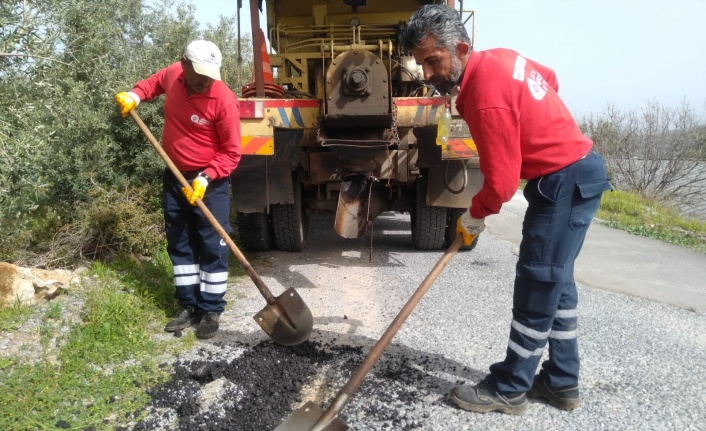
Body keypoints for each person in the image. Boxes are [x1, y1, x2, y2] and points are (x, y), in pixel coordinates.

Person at [400, 5, 612, 415]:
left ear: (460, 48)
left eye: (432, 61)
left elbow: (499, 182)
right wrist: (542, 125)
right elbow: (547, 78)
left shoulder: (483, 95)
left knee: (538, 282)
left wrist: (473, 216)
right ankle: (561, 382)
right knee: (558, 283)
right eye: (420, 63)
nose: (426, 74)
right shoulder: (501, 58)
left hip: (564, 181)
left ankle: (511, 387)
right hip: (577, 174)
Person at [115, 40, 241, 339]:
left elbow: (232, 152)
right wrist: (135, 95)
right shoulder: (174, 75)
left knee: (213, 245)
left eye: (211, 74)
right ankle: (188, 305)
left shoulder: (223, 100)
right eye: (200, 74)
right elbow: (154, 83)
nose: (205, 81)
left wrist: (206, 178)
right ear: (183, 64)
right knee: (180, 241)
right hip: (174, 176)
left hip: (209, 183)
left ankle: (210, 309)